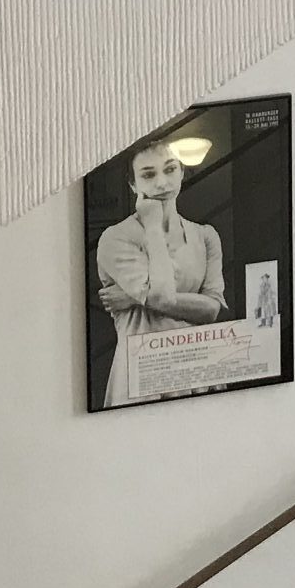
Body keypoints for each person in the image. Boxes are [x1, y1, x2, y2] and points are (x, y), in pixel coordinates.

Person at [94, 136, 225, 407]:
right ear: (133, 184)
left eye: (170, 169)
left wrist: (134, 297)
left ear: (182, 172)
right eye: (148, 174)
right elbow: (163, 297)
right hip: (143, 373)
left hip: (196, 370)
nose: (162, 183)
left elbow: (211, 310)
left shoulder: (205, 236)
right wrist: (153, 227)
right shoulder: (115, 238)